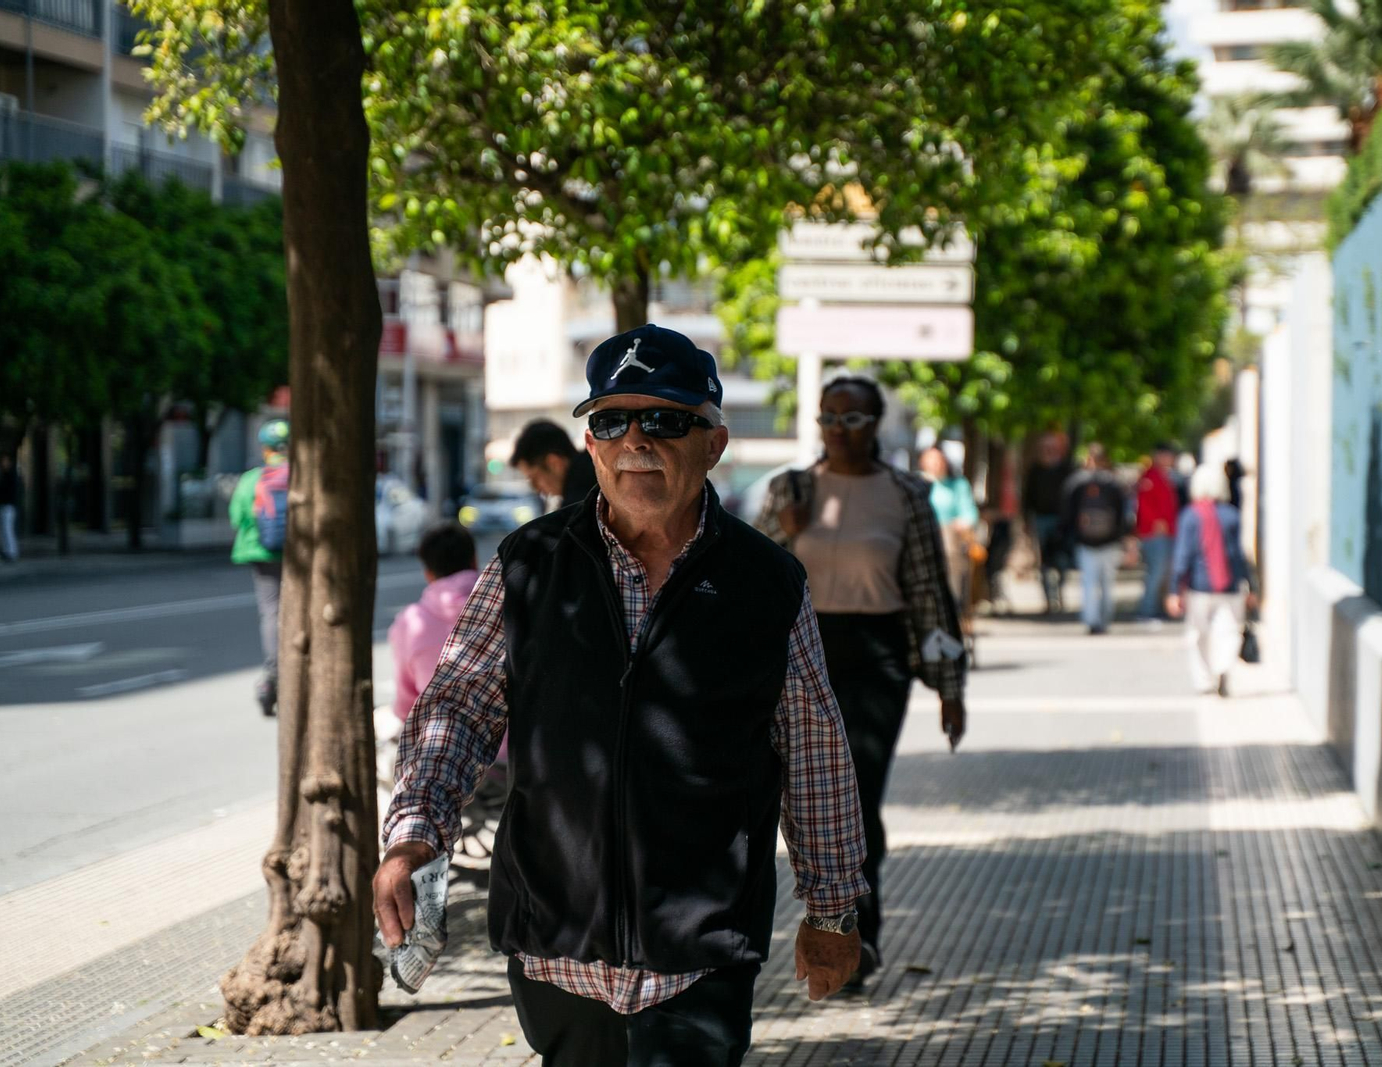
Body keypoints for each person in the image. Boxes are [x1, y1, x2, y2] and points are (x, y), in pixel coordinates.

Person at [377, 324, 867, 1067]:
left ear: (714, 442)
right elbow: (456, 706)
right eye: (611, 420)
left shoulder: (767, 581)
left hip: (700, 950)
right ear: (591, 445)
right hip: (555, 946)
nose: (635, 439)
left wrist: (831, 908)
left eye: (665, 419)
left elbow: (813, 748)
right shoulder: (529, 563)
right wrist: (415, 832)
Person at [755, 375, 968, 993]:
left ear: (877, 424)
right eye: (829, 418)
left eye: (854, 419)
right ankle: (813, 922)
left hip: (877, 659)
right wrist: (785, 530)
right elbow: (751, 576)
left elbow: (930, 594)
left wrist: (950, 686)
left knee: (858, 793)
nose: (839, 430)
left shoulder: (905, 494)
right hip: (800, 655)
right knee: (791, 793)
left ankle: (858, 933)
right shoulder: (790, 488)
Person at [1167, 464, 1257, 697]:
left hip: (1199, 586)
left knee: (1199, 634)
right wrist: (1250, 586)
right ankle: (1223, 668)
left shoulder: (1190, 516)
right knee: (1228, 631)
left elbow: (1183, 555)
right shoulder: (1231, 515)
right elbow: (1239, 554)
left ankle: (1204, 679)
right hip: (1229, 584)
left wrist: (1175, 589)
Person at [388, 520, 484, 732]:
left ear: (428, 574)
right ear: (475, 560)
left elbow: (406, 706)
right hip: (514, 749)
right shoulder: (509, 603)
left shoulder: (409, 622)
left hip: (445, 751)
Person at [229, 420, 289, 717]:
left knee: (271, 611)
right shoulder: (302, 475)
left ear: (264, 448)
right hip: (297, 554)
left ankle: (274, 674)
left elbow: (237, 516)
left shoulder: (252, 479)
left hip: (261, 553)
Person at [1060, 443, 1130, 636]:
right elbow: (1123, 514)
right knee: (1107, 583)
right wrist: (1122, 537)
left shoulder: (1076, 482)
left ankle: (1091, 620)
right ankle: (1105, 619)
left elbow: (1067, 513)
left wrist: (1072, 535)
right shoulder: (1114, 483)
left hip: (1086, 542)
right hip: (1110, 541)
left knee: (1089, 583)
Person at [919, 443, 979, 622]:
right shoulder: (917, 484)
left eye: (938, 461)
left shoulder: (958, 485)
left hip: (950, 542)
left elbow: (969, 512)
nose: (935, 465)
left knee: (953, 583)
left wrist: (962, 522)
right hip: (924, 540)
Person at [1021, 430, 1074, 614]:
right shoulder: (1035, 470)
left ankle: (1058, 593)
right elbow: (1027, 498)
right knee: (1044, 562)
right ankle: (1049, 600)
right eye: (1046, 447)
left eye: (1053, 446)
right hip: (1041, 519)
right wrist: (1026, 520)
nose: (1049, 450)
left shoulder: (1067, 469)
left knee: (1062, 560)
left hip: (1062, 521)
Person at [1134, 443, 1180, 621]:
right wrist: (1156, 522)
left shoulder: (1164, 476)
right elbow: (1144, 504)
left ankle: (1158, 608)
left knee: (1164, 573)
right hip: (1155, 533)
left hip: (1167, 531)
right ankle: (1147, 611)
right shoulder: (1151, 476)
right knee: (1156, 572)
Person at [510, 419, 598, 507]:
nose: (537, 489)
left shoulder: (578, 504)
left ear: (554, 463)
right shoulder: (597, 463)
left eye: (534, 479)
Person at [0, 453, 20, 562]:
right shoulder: (3, 475)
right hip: (5, 505)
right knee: (4, 530)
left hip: (8, 506)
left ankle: (11, 552)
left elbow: (9, 492)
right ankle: (8, 551)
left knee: (7, 529)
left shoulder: (10, 476)